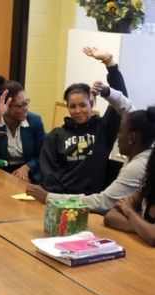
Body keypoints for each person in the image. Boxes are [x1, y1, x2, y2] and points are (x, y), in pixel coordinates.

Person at [26, 93, 155, 215]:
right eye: (72, 106)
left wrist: (49, 197)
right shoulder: (139, 154)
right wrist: (108, 91)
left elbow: (103, 202)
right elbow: (127, 108)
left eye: (120, 132)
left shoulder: (137, 165)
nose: (117, 136)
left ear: (132, 137)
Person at [36, 47, 127, 195]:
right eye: (72, 106)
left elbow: (121, 100)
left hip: (93, 201)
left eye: (83, 105)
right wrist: (60, 200)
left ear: (91, 104)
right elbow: (49, 172)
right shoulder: (56, 135)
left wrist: (109, 63)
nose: (78, 111)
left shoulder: (103, 128)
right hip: (62, 200)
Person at [0, 76, 45, 182]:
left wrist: (27, 168)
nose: (26, 108)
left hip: (27, 172)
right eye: (21, 105)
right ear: (7, 107)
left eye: (27, 102)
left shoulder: (35, 121)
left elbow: (43, 156)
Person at [104, 144, 155, 247]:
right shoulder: (147, 190)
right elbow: (110, 216)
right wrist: (143, 229)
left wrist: (130, 212)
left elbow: (153, 236)